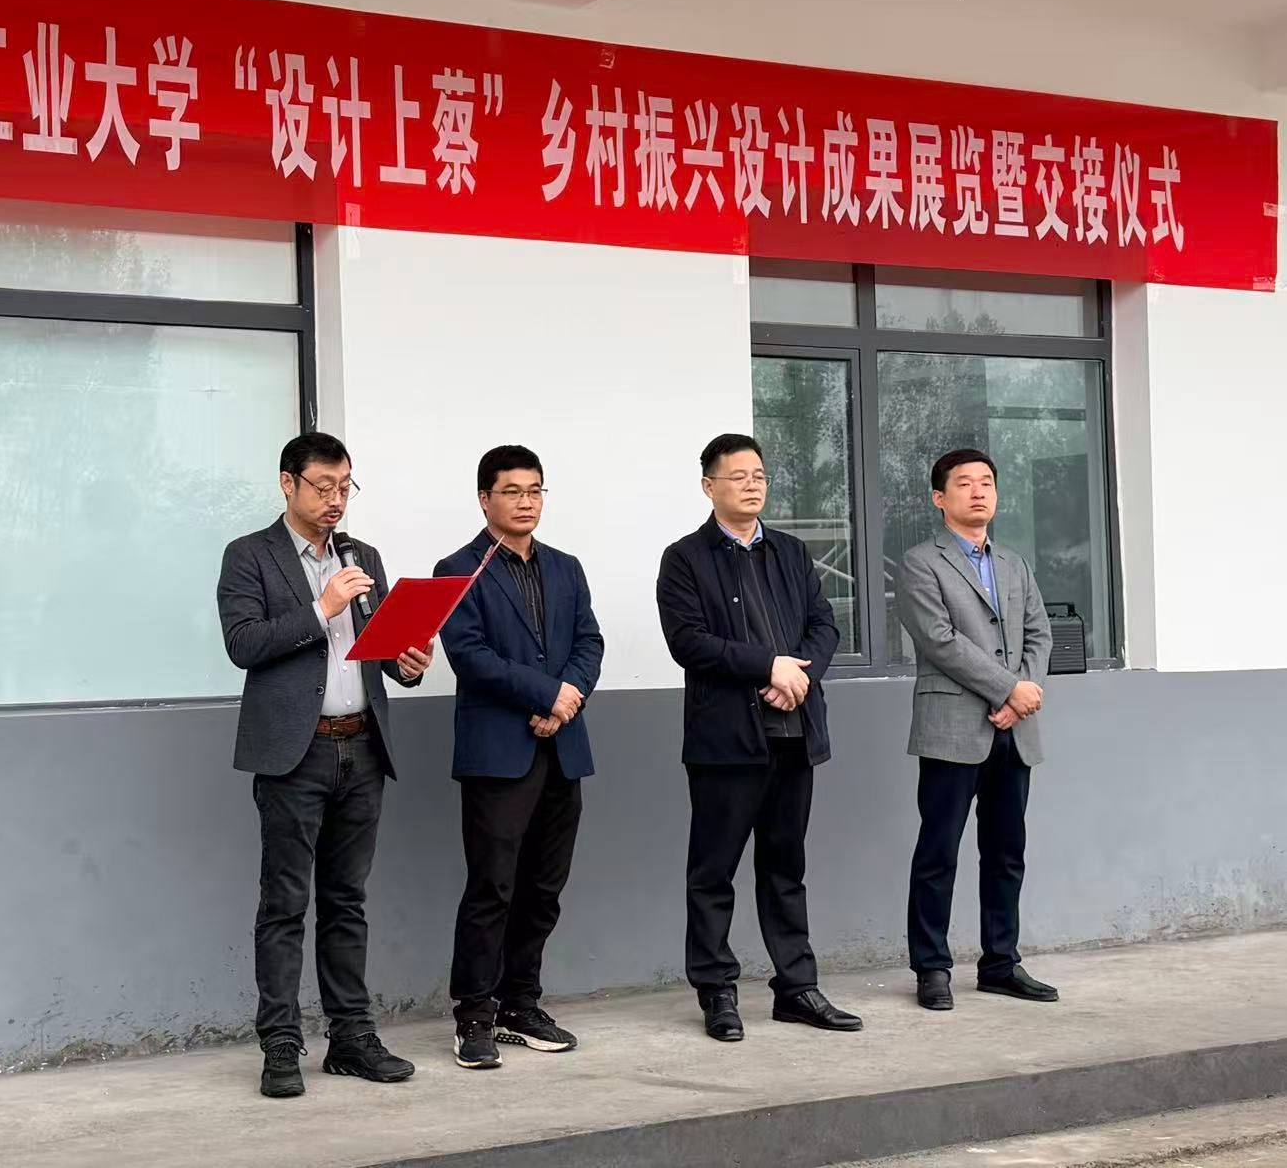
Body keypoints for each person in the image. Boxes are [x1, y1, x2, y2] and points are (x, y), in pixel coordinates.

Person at [216, 432, 434, 1098]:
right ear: (288, 483)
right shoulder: (249, 555)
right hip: (295, 752)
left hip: (362, 745)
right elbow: (243, 643)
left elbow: (382, 654)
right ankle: (281, 1044)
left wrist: (408, 662)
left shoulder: (362, 555)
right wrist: (322, 608)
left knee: (347, 901)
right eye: (323, 486)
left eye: (345, 486)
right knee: (285, 902)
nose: (336, 499)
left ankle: (351, 1038)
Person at [655, 433, 863, 1043]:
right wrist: (766, 667)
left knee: (785, 868)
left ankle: (797, 987)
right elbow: (688, 642)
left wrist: (799, 677)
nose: (752, 485)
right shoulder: (684, 558)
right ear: (708, 486)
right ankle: (717, 991)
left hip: (795, 732)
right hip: (726, 739)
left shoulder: (792, 552)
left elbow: (824, 625)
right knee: (713, 872)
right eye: (738, 476)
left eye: (760, 476)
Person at [434, 446, 604, 1070]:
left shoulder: (566, 568)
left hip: (562, 746)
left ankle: (519, 1004)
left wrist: (564, 701)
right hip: (497, 754)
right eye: (512, 491)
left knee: (543, 888)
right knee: (492, 888)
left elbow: (589, 641)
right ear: (485, 499)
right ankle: (473, 1015)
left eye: (535, 490)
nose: (526, 502)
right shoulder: (456, 569)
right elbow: (470, 655)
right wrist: (544, 694)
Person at [898, 448, 1056, 1012]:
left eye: (986, 481)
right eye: (964, 483)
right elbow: (939, 640)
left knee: (1007, 852)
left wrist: (1022, 694)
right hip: (952, 728)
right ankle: (932, 968)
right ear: (939, 498)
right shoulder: (921, 563)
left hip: (1014, 730)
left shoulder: (1014, 563)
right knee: (938, 852)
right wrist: (1008, 689)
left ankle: (1001, 964)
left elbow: (1039, 634)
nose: (978, 491)